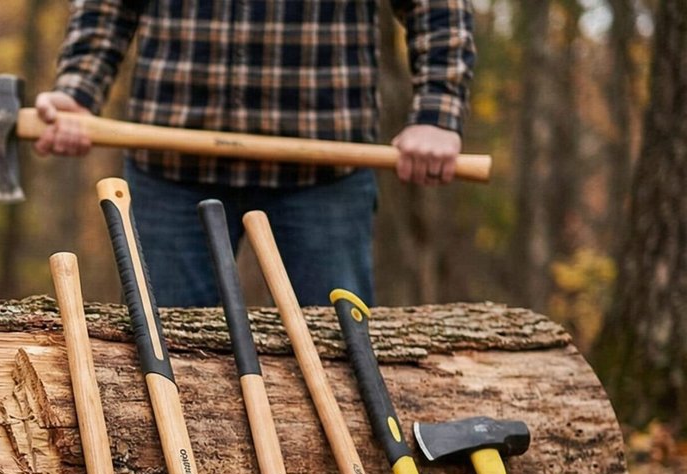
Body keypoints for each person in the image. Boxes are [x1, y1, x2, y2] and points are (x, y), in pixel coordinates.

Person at [34, 0, 474, 307]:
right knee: (165, 360)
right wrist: (78, 88)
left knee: (339, 359)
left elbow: (436, 6)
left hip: (324, 174)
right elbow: (107, 6)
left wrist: (437, 110)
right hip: (170, 170)